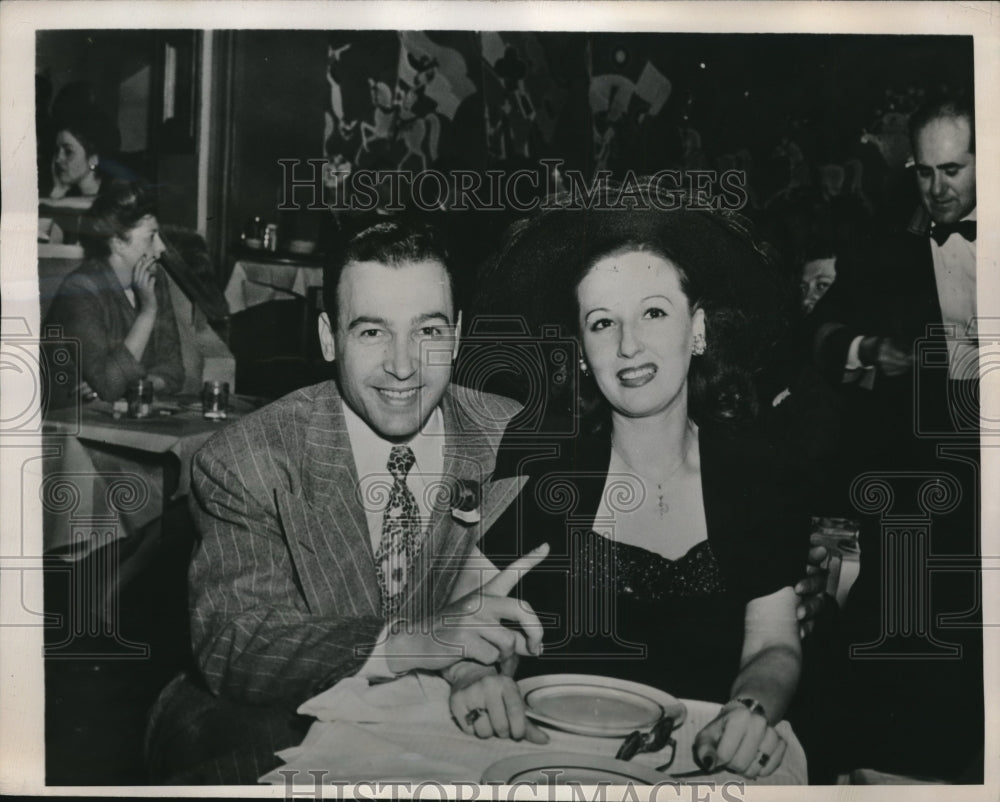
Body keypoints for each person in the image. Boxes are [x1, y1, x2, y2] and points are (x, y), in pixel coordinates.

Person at [145, 217, 548, 783]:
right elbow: (237, 642)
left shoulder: (514, 440)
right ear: (329, 338)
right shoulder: (250, 457)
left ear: (457, 332)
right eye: (372, 332)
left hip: (450, 725)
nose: (404, 366)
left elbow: (533, 608)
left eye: (429, 332)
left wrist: (476, 665)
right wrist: (417, 642)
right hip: (275, 716)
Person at [453, 200, 810, 780]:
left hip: (700, 769)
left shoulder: (754, 473)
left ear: (697, 329)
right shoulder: (543, 472)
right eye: (601, 322)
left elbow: (774, 644)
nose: (627, 345)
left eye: (653, 313)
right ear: (582, 352)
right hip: (549, 765)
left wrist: (750, 709)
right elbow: (465, 612)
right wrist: (473, 672)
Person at [805, 93, 982, 781]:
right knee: (905, 652)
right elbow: (818, 335)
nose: (937, 189)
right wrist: (868, 349)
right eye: (924, 172)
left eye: (954, 171)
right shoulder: (886, 247)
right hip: (916, 485)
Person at [45, 180, 184, 403]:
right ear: (118, 242)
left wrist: (131, 386)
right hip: (68, 420)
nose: (161, 248)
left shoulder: (155, 278)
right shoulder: (79, 290)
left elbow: (175, 371)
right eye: (151, 237)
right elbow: (109, 386)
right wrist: (148, 312)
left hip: (125, 415)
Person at [39, 105, 121, 244]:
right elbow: (44, 246)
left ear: (93, 158)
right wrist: (58, 191)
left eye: (68, 152)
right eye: (57, 150)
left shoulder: (119, 191)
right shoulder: (69, 198)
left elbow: (104, 204)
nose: (58, 159)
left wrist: (50, 202)